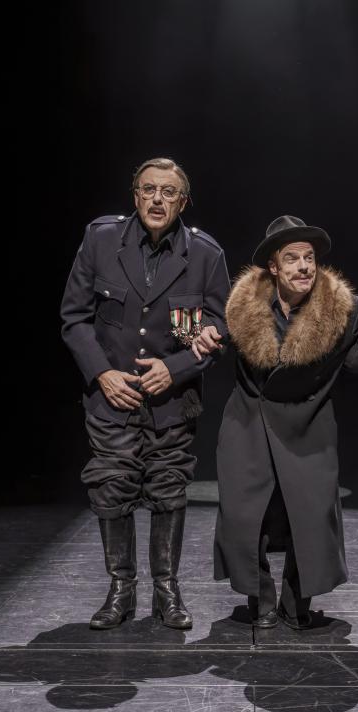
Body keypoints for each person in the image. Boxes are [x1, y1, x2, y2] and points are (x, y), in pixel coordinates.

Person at [60, 157, 230, 630]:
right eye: (149, 189)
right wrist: (102, 374)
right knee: (111, 486)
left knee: (168, 489)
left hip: (172, 401)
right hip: (111, 396)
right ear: (135, 195)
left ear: (184, 202)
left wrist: (175, 369)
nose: (157, 199)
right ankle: (121, 589)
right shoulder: (101, 239)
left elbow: (220, 327)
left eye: (168, 192)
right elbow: (74, 318)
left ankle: (166, 590)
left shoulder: (206, 254)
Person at [199, 215, 358, 629]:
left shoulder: (342, 308)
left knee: (309, 516)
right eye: (292, 258)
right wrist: (202, 335)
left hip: (308, 420)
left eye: (309, 258)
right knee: (246, 516)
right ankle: (259, 597)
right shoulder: (243, 306)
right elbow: (212, 334)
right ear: (274, 267)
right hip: (249, 418)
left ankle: (297, 602)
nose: (304, 267)